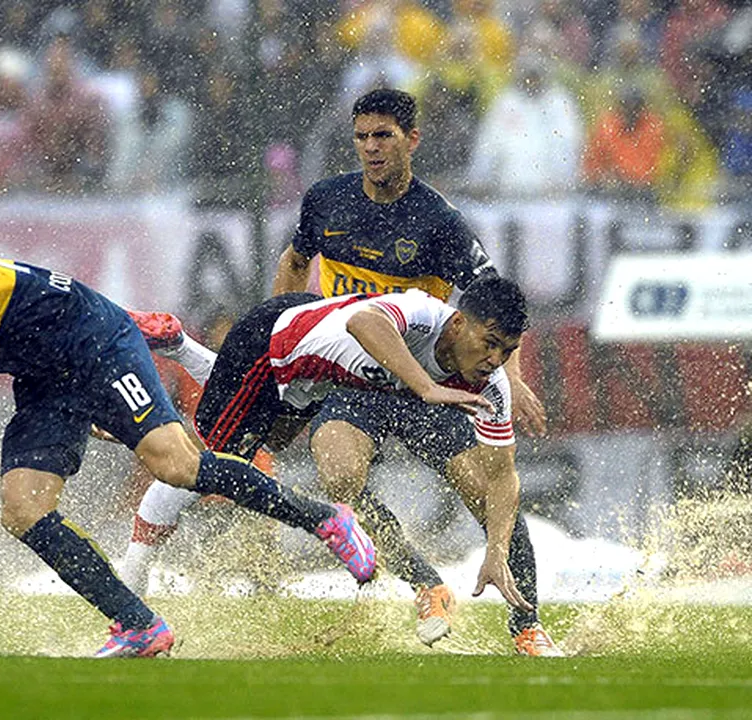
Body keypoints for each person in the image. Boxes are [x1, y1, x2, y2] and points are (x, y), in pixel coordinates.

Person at [0, 238, 376, 658]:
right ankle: (140, 624)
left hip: (95, 339)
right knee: (22, 509)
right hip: (46, 377)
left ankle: (325, 519)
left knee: (177, 464)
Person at [136, 88, 560, 656]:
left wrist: (513, 377)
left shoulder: (439, 222)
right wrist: (288, 319)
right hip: (349, 379)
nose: (371, 149)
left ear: (412, 139)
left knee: (486, 492)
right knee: (339, 480)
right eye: (361, 137)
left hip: (420, 382)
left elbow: (488, 305)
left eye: (383, 136)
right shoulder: (326, 201)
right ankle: (425, 584)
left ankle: (527, 624)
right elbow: (293, 261)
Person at [125, 277, 535, 635]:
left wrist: (496, 552)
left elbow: (502, 476)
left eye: (506, 350)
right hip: (269, 346)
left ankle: (177, 343)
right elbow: (364, 321)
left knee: (270, 443)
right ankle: (133, 588)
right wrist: (427, 387)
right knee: (203, 471)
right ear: (459, 323)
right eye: (490, 343)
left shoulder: (492, 385)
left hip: (314, 374)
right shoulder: (422, 314)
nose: (495, 359)